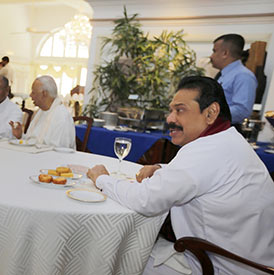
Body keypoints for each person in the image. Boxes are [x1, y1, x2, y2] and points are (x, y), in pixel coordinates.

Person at [86, 76, 274, 275]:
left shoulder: (205, 150)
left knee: (119, 254)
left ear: (211, 113)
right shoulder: (228, 139)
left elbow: (145, 200)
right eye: (171, 110)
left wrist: (102, 179)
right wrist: (161, 167)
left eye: (180, 110)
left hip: (220, 266)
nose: (170, 119)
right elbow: (209, 175)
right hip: (255, 262)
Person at [10, 75, 75, 149]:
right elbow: (33, 140)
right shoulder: (40, 112)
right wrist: (20, 136)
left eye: (33, 92)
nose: (30, 95)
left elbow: (60, 150)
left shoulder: (61, 116)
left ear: (44, 93)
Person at [210, 34, 257, 127]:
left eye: (214, 51)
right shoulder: (223, 75)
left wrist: (209, 114)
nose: (211, 56)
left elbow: (242, 111)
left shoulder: (243, 76)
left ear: (225, 53)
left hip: (227, 129)